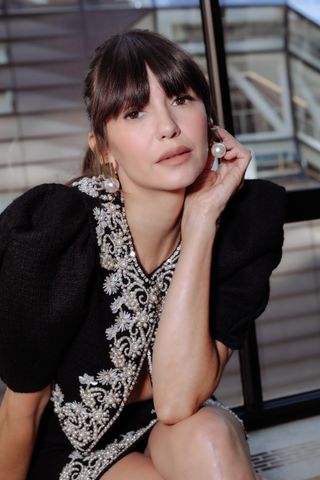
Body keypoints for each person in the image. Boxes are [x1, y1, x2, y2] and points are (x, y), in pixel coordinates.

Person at [0, 29, 286, 480]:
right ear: (104, 148)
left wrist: (200, 224)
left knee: (208, 438)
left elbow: (175, 400)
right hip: (64, 450)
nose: (168, 126)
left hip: (169, 422)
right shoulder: (61, 232)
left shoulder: (243, 224)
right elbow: (22, 412)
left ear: (209, 118)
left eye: (181, 99)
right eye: (135, 112)